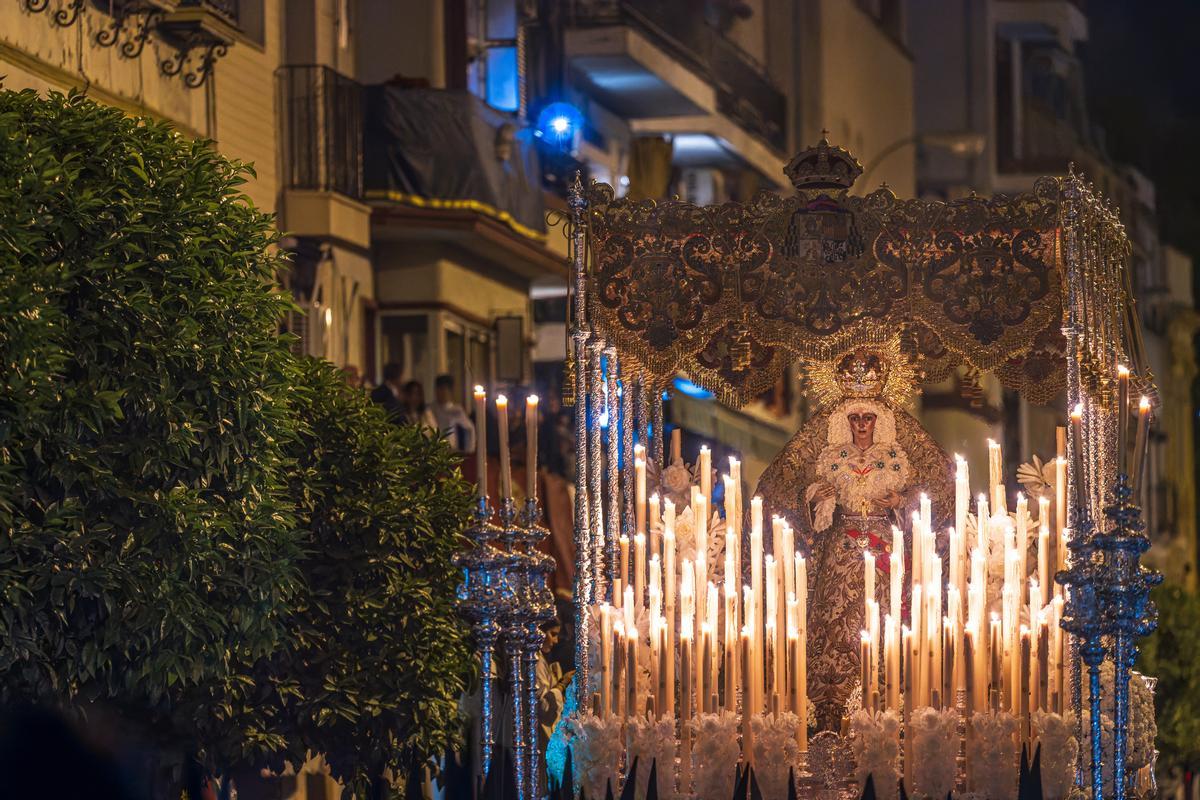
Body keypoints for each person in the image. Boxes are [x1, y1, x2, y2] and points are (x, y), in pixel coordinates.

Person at [754, 348, 953, 729]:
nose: (862, 425)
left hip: (885, 552)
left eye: (869, 418)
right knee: (834, 626)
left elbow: (939, 491)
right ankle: (829, 712)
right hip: (838, 553)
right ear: (846, 423)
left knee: (887, 623)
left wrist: (902, 502)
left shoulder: (897, 453)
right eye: (856, 419)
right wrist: (816, 498)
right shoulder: (830, 453)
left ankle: (889, 708)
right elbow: (782, 489)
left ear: (880, 422)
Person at [432, 374, 475, 453]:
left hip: (454, 451)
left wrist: (468, 451)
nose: (441, 393)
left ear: (450, 391)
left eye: (444, 389)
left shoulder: (457, 410)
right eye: (439, 389)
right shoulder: (431, 409)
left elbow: (469, 430)